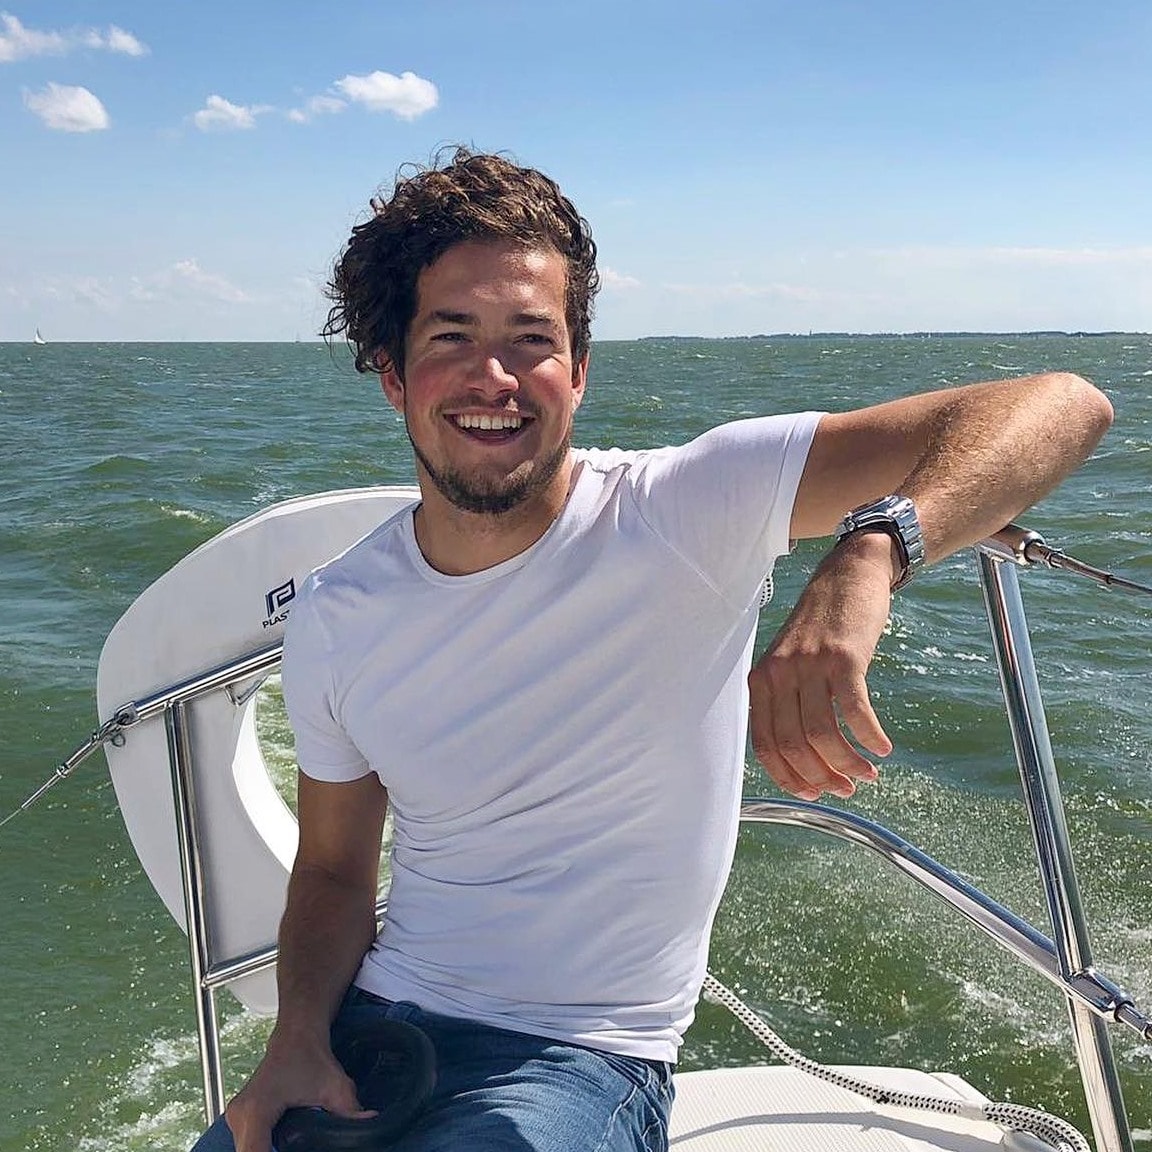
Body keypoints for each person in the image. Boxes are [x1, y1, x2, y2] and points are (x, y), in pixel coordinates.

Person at [192, 148, 1113, 1152]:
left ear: (579, 371)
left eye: (532, 339)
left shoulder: (683, 510)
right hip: (375, 1025)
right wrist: (296, 1037)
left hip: (578, 1058)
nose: (494, 377)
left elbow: (1064, 406)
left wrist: (871, 554)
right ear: (393, 376)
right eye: (452, 336)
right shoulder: (339, 612)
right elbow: (333, 872)